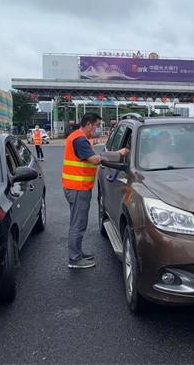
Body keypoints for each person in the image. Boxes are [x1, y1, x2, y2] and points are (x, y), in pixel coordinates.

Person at [62, 113, 128, 269]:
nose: (97, 129)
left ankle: (77, 253)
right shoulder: (79, 140)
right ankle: (75, 259)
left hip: (77, 187)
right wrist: (119, 153)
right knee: (78, 224)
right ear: (89, 124)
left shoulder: (78, 137)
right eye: (97, 125)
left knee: (77, 222)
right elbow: (94, 160)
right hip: (77, 187)